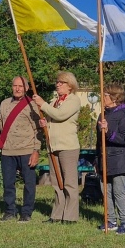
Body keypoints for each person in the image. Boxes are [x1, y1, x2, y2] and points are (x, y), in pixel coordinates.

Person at [32, 71, 82, 224]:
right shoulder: (55, 101)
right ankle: (57, 214)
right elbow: (52, 117)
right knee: (56, 182)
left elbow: (60, 115)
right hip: (52, 146)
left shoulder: (74, 100)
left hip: (68, 147)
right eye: (57, 82)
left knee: (69, 182)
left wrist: (42, 104)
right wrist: (45, 123)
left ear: (70, 86)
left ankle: (70, 216)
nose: (58, 84)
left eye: (62, 82)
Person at [0, 77, 42, 222]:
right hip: (8, 150)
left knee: (29, 184)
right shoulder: (4, 104)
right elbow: (2, 125)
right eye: (15, 85)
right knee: (8, 183)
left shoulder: (33, 105)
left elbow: (38, 129)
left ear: (26, 88)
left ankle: (26, 212)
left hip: (27, 149)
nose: (17, 88)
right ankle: (10, 210)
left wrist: (36, 151)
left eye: (20, 86)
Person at [97, 83, 125, 235]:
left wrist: (109, 132)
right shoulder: (103, 114)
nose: (102, 98)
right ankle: (111, 220)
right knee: (105, 191)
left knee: (118, 192)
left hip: (119, 160)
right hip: (104, 159)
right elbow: (99, 141)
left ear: (114, 98)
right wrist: (96, 158)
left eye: (105, 95)